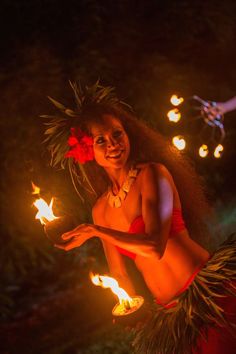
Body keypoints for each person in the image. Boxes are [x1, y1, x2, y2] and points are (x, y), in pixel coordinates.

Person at [42, 82, 236, 354]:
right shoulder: (101, 210)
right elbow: (119, 273)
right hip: (173, 315)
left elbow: (154, 247)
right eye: (101, 140)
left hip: (209, 292)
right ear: (88, 152)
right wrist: (128, 304)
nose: (113, 145)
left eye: (117, 134)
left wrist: (96, 231)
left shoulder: (151, 175)